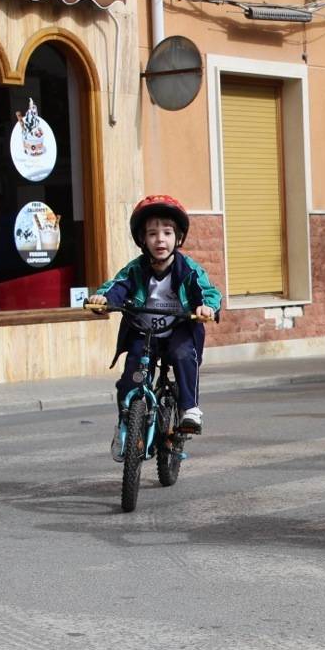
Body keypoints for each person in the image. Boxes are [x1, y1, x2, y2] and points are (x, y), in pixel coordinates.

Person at [86, 194, 220, 458]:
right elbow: (117, 286)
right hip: (143, 332)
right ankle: (126, 424)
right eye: (152, 233)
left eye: (167, 233)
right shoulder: (135, 270)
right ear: (142, 240)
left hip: (178, 330)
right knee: (130, 379)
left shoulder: (188, 270)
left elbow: (207, 292)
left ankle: (189, 409)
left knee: (183, 355)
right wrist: (103, 299)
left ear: (178, 238)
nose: (160, 239)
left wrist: (206, 308)